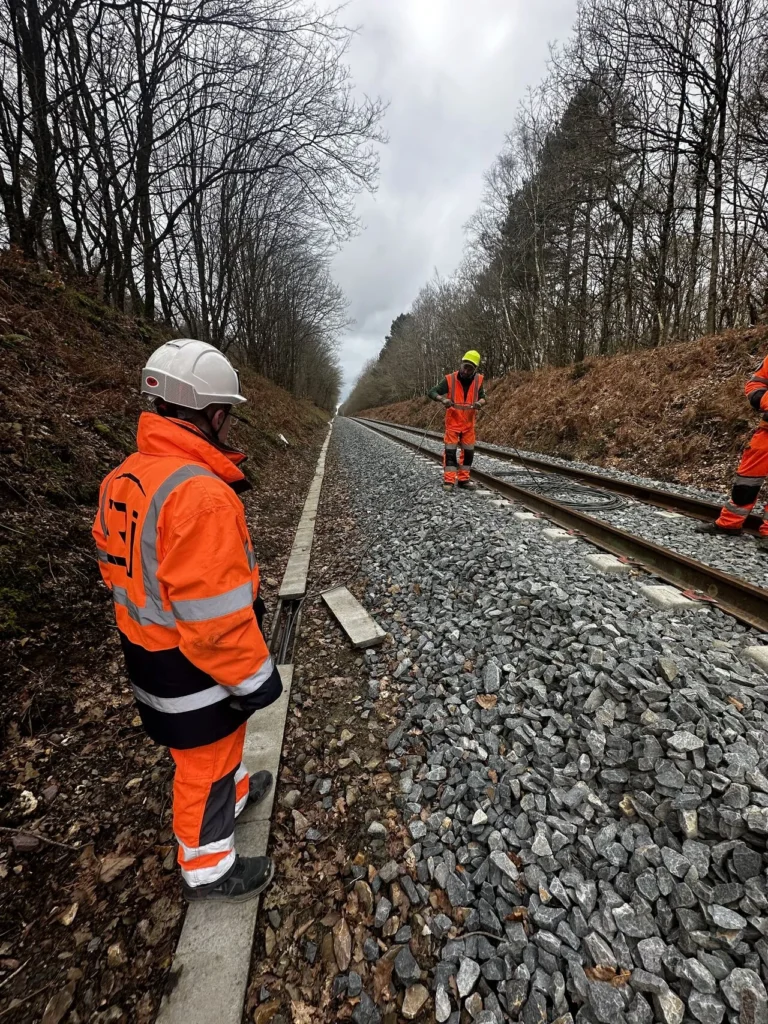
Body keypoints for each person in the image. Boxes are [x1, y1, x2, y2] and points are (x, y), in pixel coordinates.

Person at [92, 339, 283, 903]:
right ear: (214, 414)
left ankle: (237, 791)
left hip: (145, 647)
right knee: (204, 759)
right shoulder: (201, 494)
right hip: (189, 661)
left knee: (213, 747)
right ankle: (208, 867)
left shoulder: (123, 477)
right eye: (229, 415)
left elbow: (112, 565)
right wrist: (256, 681)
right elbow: (217, 623)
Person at [702, 354, 768, 537]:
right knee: (746, 480)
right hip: (766, 431)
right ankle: (729, 523)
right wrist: (764, 401)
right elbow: (755, 385)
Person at [428, 350, 487, 491]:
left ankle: (463, 480)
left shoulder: (478, 381)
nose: (466, 371)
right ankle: (449, 481)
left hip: (468, 424)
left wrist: (480, 403)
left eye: (470, 368)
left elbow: (483, 397)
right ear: (461, 364)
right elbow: (432, 392)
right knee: (450, 453)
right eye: (465, 366)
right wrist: (443, 399)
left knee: (468, 453)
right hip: (453, 423)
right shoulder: (450, 379)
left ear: (475, 369)